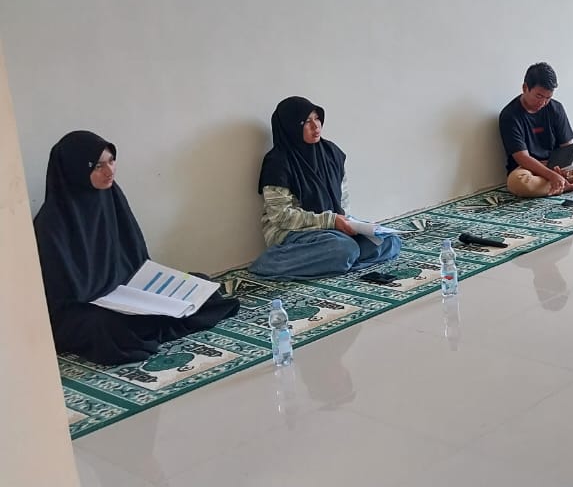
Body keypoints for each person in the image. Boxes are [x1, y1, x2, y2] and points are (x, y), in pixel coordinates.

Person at [33, 131, 240, 365]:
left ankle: (148, 317)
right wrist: (108, 295)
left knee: (201, 286)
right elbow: (63, 293)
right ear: (75, 170)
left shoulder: (111, 197)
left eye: (111, 161)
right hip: (84, 306)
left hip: (128, 292)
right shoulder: (52, 223)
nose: (109, 171)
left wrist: (138, 287)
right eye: (98, 166)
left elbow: (135, 258)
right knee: (105, 326)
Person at [249, 96, 401, 280]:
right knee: (344, 249)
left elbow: (342, 201)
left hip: (333, 229)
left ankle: (339, 264)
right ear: (291, 126)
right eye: (306, 122)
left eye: (317, 118)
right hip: (293, 233)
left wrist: (349, 224)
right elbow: (281, 217)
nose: (316, 126)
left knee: (388, 241)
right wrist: (331, 221)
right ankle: (270, 264)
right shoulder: (278, 162)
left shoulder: (331, 153)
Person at [499, 62, 573, 197]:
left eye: (548, 98)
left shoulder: (556, 108)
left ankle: (561, 182)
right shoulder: (510, 115)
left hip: (557, 165)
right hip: (530, 169)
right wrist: (551, 175)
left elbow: (567, 148)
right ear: (525, 88)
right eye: (539, 96)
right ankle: (571, 185)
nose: (543, 103)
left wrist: (566, 168)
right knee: (518, 182)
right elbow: (522, 158)